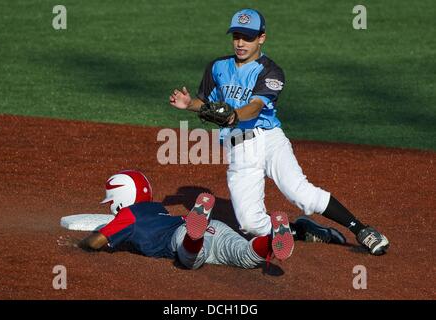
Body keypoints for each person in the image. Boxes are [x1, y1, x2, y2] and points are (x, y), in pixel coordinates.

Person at [169, 8, 389, 255]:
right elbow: (205, 102)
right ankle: (301, 230)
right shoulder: (217, 67)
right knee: (250, 224)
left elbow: (254, 107)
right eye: (236, 36)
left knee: (300, 193)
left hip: (268, 140)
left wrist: (233, 115)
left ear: (262, 37)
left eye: (248, 37)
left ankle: (361, 229)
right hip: (238, 148)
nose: (240, 43)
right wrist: (190, 105)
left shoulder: (271, 72)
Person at [57, 170, 346, 270]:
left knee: (189, 258)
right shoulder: (155, 208)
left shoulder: (128, 215)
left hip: (183, 236)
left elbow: (97, 241)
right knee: (245, 256)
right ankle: (271, 240)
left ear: (121, 199)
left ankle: (194, 237)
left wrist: (77, 246)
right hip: (213, 227)